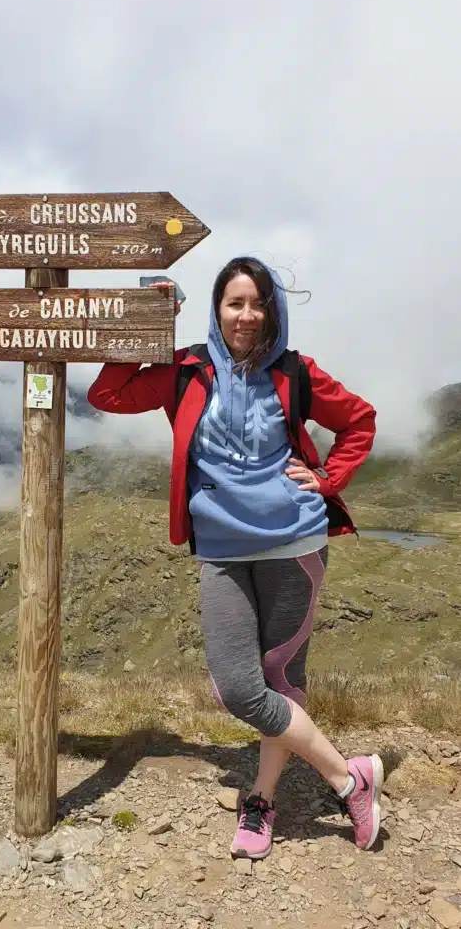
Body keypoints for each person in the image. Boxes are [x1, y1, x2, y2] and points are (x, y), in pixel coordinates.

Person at [87, 255, 380, 860]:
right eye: (234, 303)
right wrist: (153, 322)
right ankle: (350, 779)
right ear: (216, 309)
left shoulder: (296, 372)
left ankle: (262, 801)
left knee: (283, 681)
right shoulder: (187, 371)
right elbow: (108, 393)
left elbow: (359, 421)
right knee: (239, 689)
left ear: (273, 311)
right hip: (221, 548)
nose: (247, 315)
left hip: (294, 543)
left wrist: (327, 480)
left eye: (258, 303)